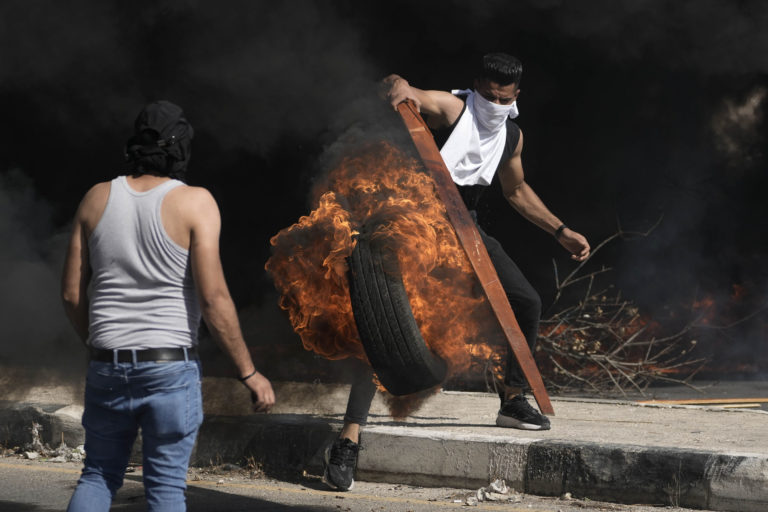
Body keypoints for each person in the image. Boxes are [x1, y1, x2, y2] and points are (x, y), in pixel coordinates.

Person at [320, 53, 590, 491]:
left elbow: (516, 189)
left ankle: (512, 400)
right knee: (385, 321)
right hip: (415, 220)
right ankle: (349, 438)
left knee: (525, 302)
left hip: (465, 225)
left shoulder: (512, 136)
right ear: (476, 87)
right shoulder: (453, 108)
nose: (494, 105)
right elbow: (405, 89)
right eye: (488, 95)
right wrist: (398, 85)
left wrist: (560, 231)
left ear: (516, 96)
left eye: (503, 99)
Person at [61, 100, 275, 511]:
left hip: (107, 365)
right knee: (165, 491)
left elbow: (72, 293)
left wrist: (96, 343)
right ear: (180, 148)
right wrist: (248, 372)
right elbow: (213, 299)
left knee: (98, 476)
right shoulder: (195, 202)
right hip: (168, 371)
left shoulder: (95, 198)